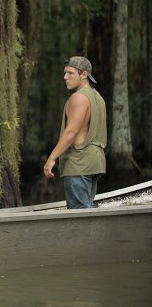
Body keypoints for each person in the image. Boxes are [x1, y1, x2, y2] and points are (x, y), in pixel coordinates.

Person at [43, 56, 107, 208]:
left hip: (79, 163)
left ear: (84, 75)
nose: (65, 77)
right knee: (87, 212)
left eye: (70, 73)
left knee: (81, 218)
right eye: (65, 73)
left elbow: (71, 131)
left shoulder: (78, 98)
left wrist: (52, 158)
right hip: (94, 162)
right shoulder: (98, 97)